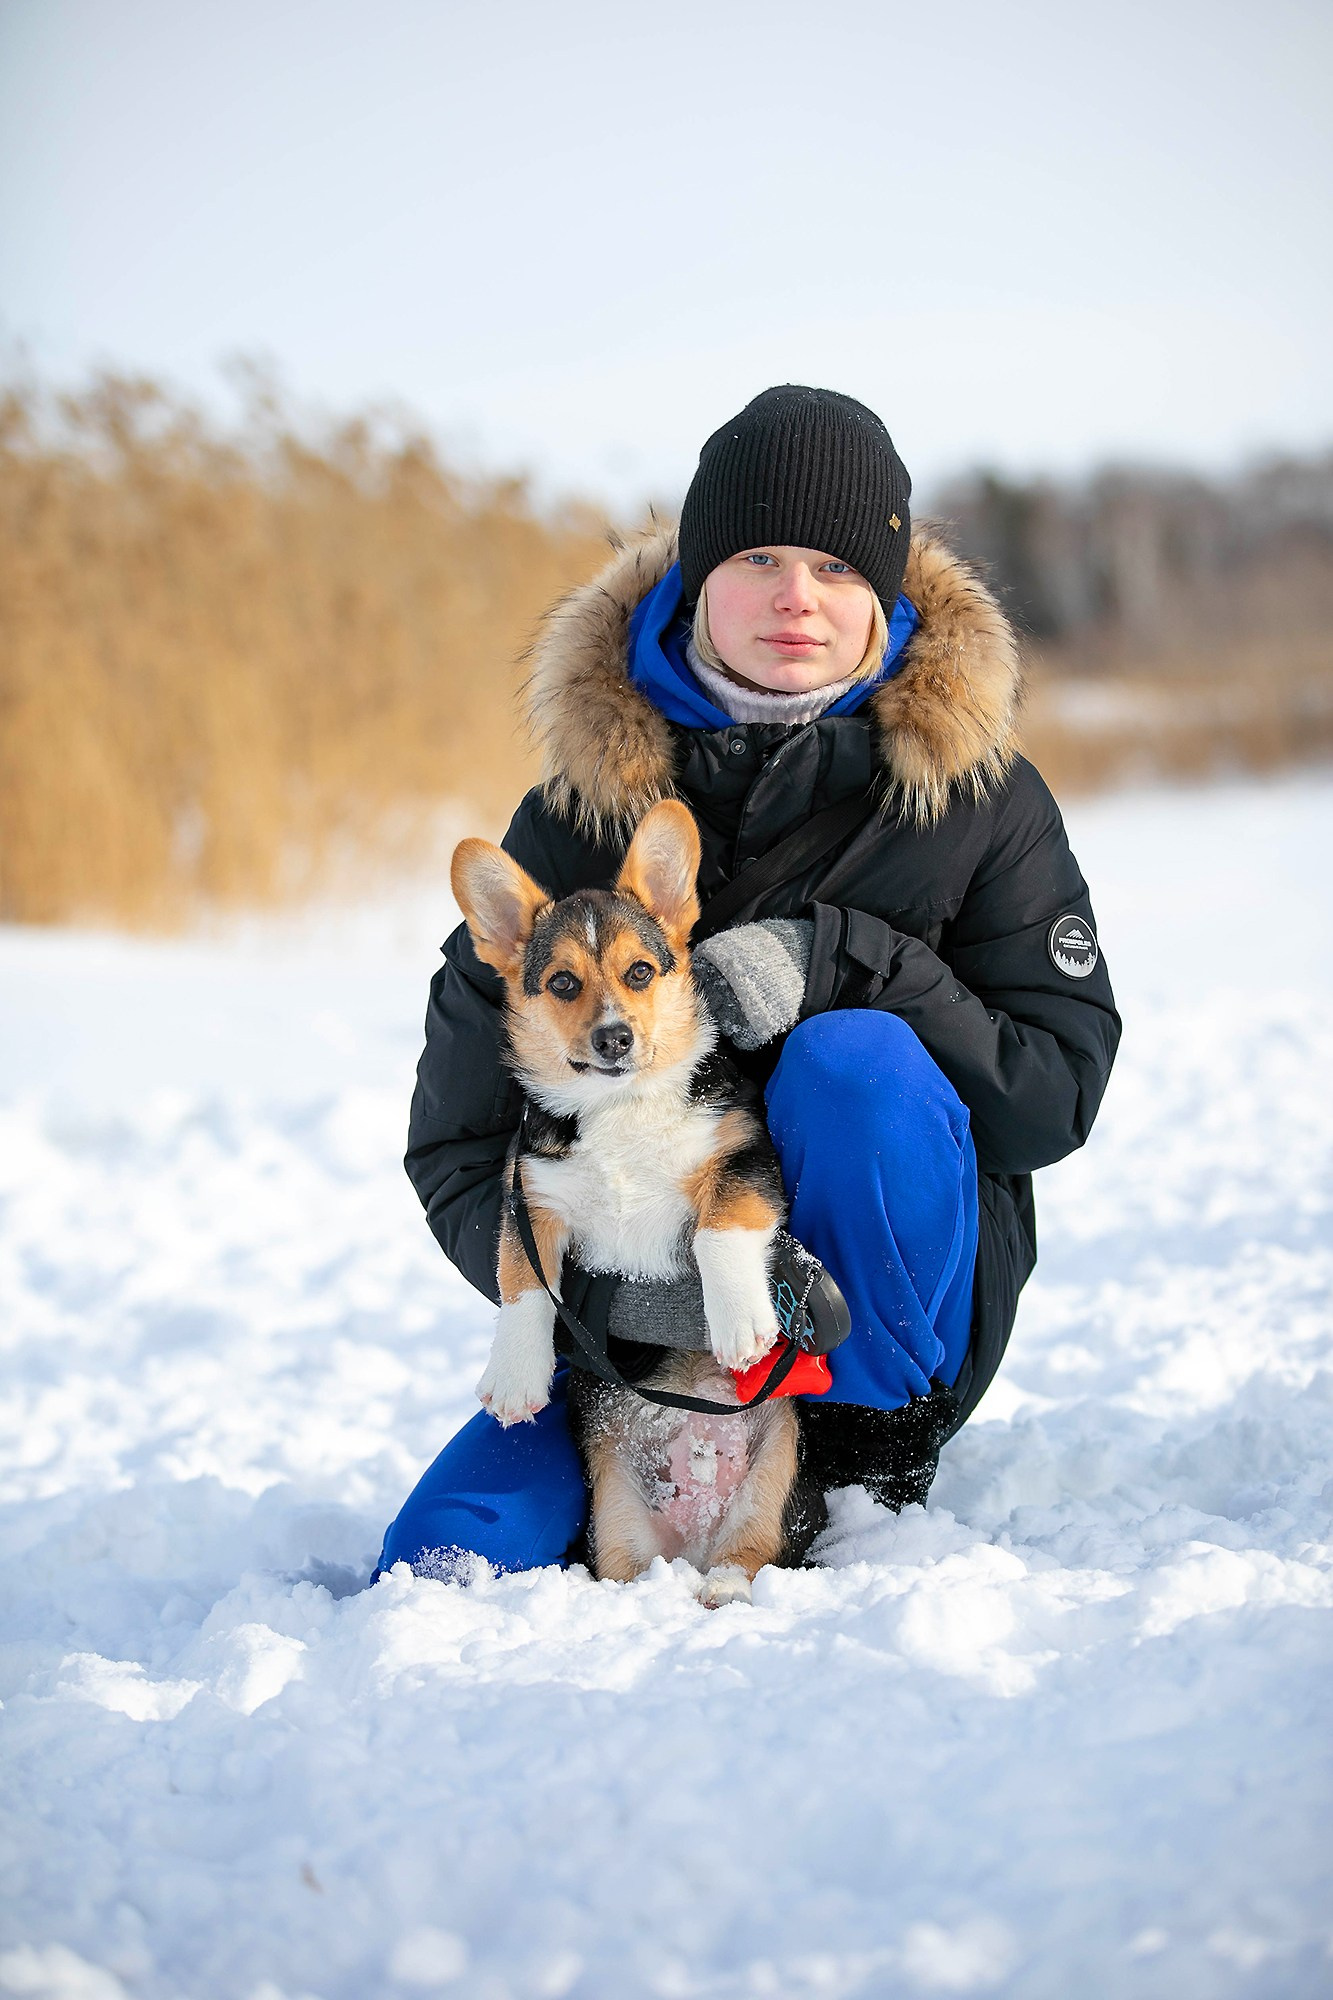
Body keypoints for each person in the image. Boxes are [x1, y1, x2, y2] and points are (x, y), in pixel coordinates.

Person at [378, 385, 1121, 1578]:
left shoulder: (978, 800)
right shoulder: (578, 813)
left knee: (854, 1061)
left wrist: (846, 960)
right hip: (636, 1350)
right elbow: (457, 1144)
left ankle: (866, 1454)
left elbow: (1051, 1097)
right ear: (695, 576)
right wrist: (604, 1306)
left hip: (869, 1345)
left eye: (834, 565)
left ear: (883, 591)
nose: (795, 597)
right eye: (758, 556)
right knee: (444, 1562)